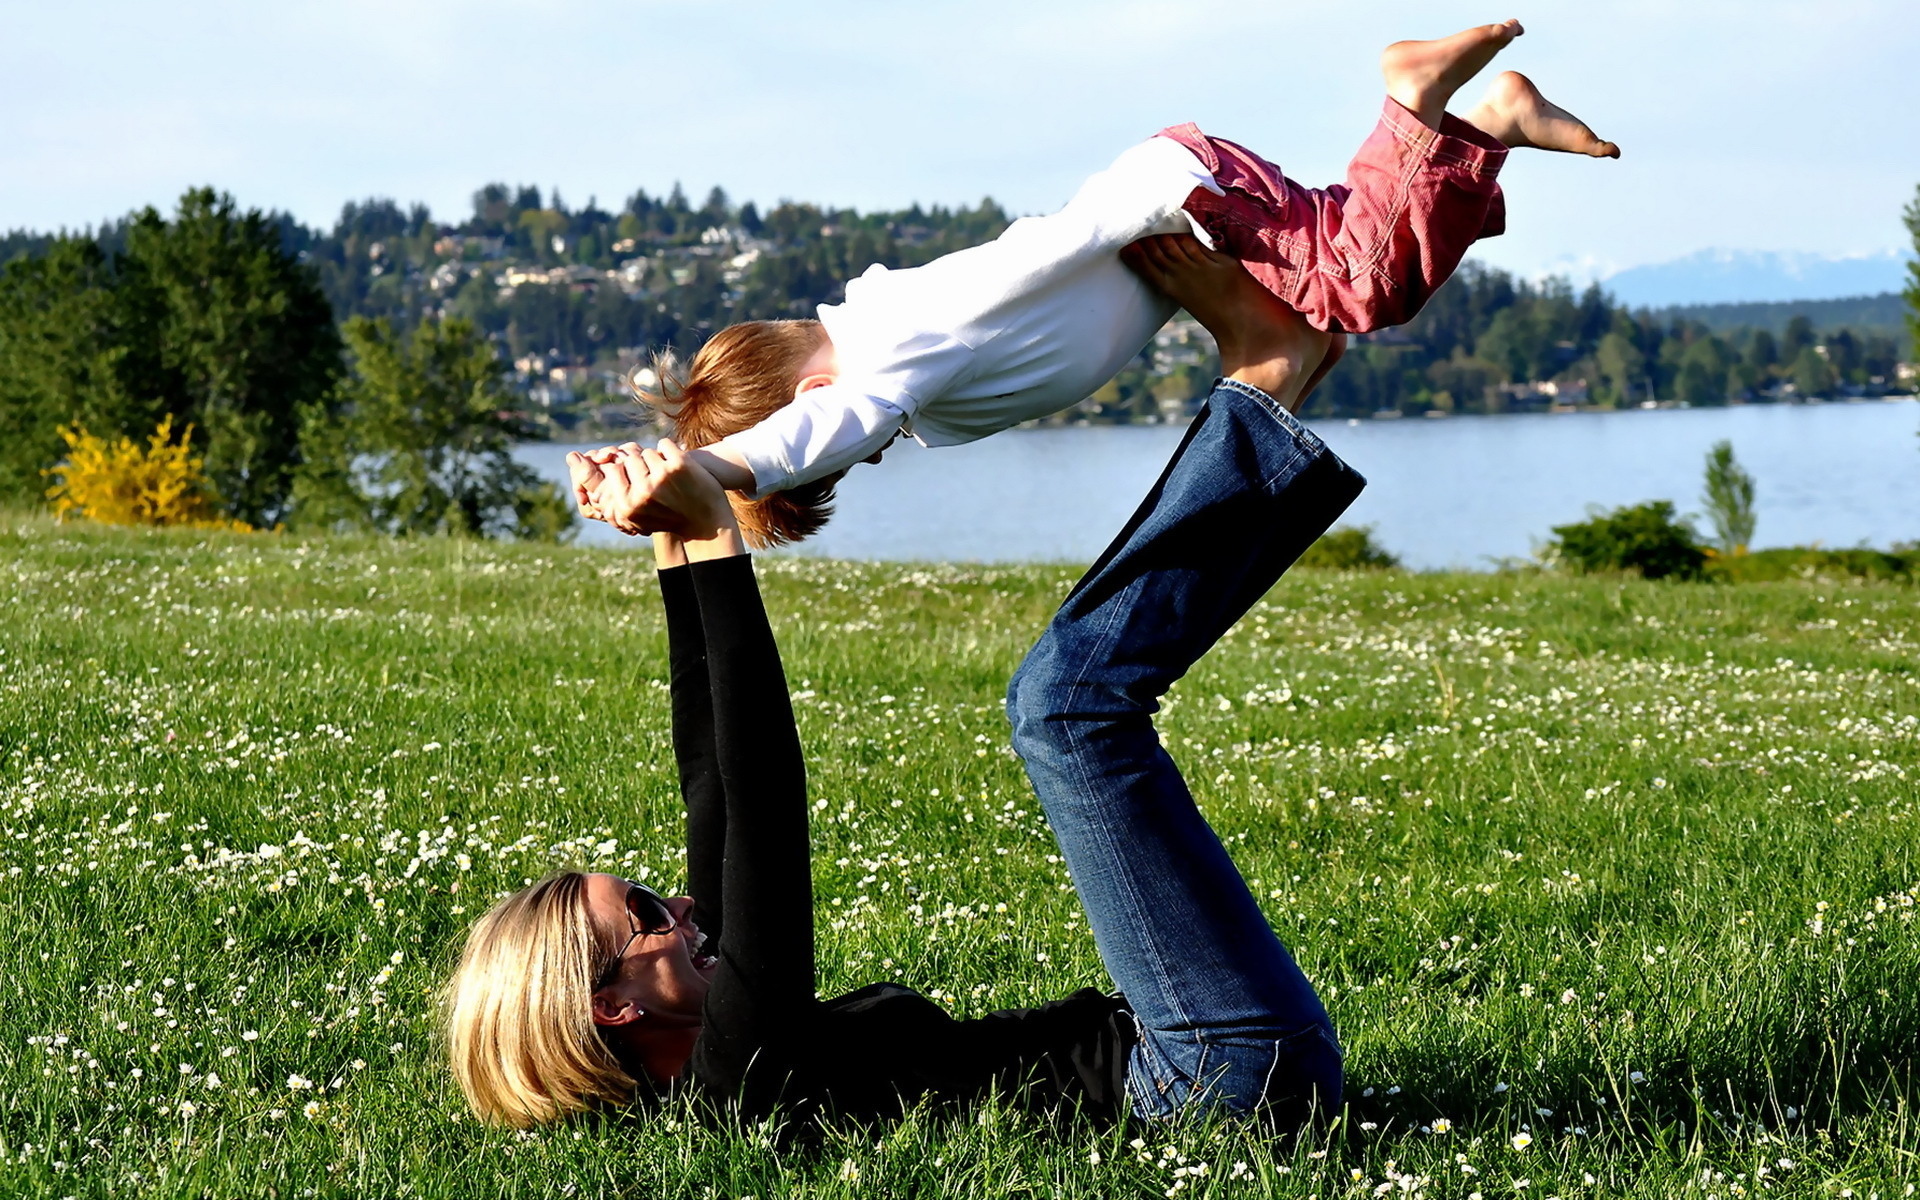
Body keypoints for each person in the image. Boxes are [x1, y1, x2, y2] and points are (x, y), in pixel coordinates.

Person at [445, 239, 1374, 1129]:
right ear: (610, 1007)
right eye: (648, 916)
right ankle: (1263, 382)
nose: (682, 904)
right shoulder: (739, 1082)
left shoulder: (717, 1026)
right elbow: (767, 812)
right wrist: (720, 541)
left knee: (1069, 706)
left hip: (1200, 1053)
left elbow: (717, 788)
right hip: (1213, 1074)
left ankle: (1270, 385)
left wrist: (672, 537)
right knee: (1066, 710)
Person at [568, 19, 1616, 546]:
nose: (867, 451)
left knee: (1356, 290)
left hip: (1177, 196)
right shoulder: (895, 326)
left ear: (813, 404)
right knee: (1343, 283)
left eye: (849, 457)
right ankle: (1476, 141)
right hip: (1176, 190)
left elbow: (814, 430)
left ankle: (1426, 100)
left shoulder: (889, 360)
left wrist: (718, 475)